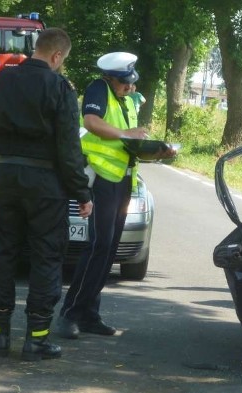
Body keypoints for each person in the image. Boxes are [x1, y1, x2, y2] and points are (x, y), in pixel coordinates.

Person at [0, 28, 93, 361]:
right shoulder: (59, 87)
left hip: (5, 178)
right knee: (46, 258)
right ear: (57, 56)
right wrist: (81, 192)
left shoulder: (2, 79)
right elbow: (68, 148)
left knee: (3, 254)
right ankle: (37, 339)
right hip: (45, 186)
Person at [56, 52, 176, 340]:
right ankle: (70, 313)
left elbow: (127, 144)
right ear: (111, 77)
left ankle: (89, 314)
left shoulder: (124, 100)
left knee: (108, 252)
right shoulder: (99, 88)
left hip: (122, 181)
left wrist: (155, 150)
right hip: (102, 181)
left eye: (130, 82)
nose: (128, 87)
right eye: (124, 82)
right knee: (98, 247)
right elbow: (92, 122)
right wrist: (127, 133)